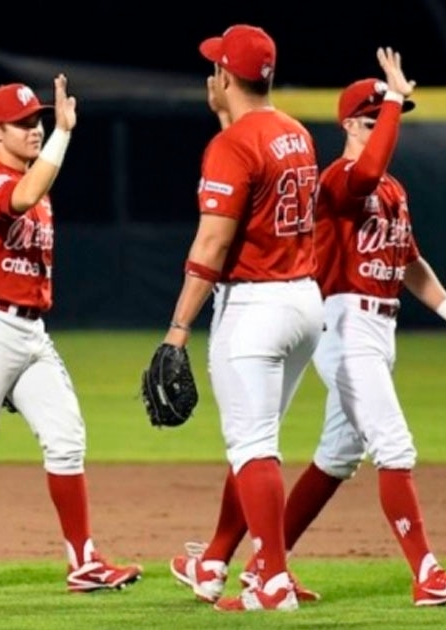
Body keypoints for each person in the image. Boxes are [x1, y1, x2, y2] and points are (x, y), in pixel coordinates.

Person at [240, 48, 446, 607]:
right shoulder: (340, 180)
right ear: (349, 124)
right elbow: (368, 168)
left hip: (381, 328)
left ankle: (262, 573)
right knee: (394, 445)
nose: (384, 132)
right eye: (374, 122)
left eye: (389, 121)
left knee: (336, 457)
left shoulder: (394, 191)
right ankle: (427, 574)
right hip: (343, 325)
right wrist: (395, 98)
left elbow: (411, 266)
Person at [0, 76, 142, 595]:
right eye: (23, 123)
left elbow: (36, 188)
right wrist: (64, 133)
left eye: (37, 120)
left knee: (67, 439)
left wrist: (55, 137)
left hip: (30, 330)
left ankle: (83, 562)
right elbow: (24, 193)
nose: (34, 129)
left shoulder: (39, 188)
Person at [161, 25, 323, 612]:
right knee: (253, 443)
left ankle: (273, 580)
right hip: (306, 301)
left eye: (215, 68)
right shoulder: (297, 133)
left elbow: (211, 245)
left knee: (253, 446)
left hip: (256, 305)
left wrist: (178, 328)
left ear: (226, 77)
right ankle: (213, 563)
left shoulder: (231, 144)